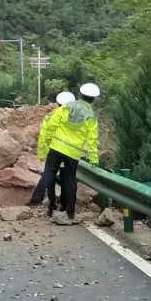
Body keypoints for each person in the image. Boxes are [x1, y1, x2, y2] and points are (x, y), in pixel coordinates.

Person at [33, 83, 101, 224]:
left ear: (80, 95)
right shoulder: (91, 117)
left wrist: (46, 146)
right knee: (70, 180)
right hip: (73, 153)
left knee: (49, 172)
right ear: (93, 99)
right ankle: (70, 211)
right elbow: (92, 139)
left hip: (57, 147)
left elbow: (51, 125)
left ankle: (37, 197)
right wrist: (94, 158)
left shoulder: (66, 107)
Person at [28, 91, 73, 209]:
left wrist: (42, 153)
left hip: (54, 149)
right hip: (70, 150)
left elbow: (44, 136)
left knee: (48, 173)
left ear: (58, 103)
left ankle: (36, 199)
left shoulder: (50, 116)